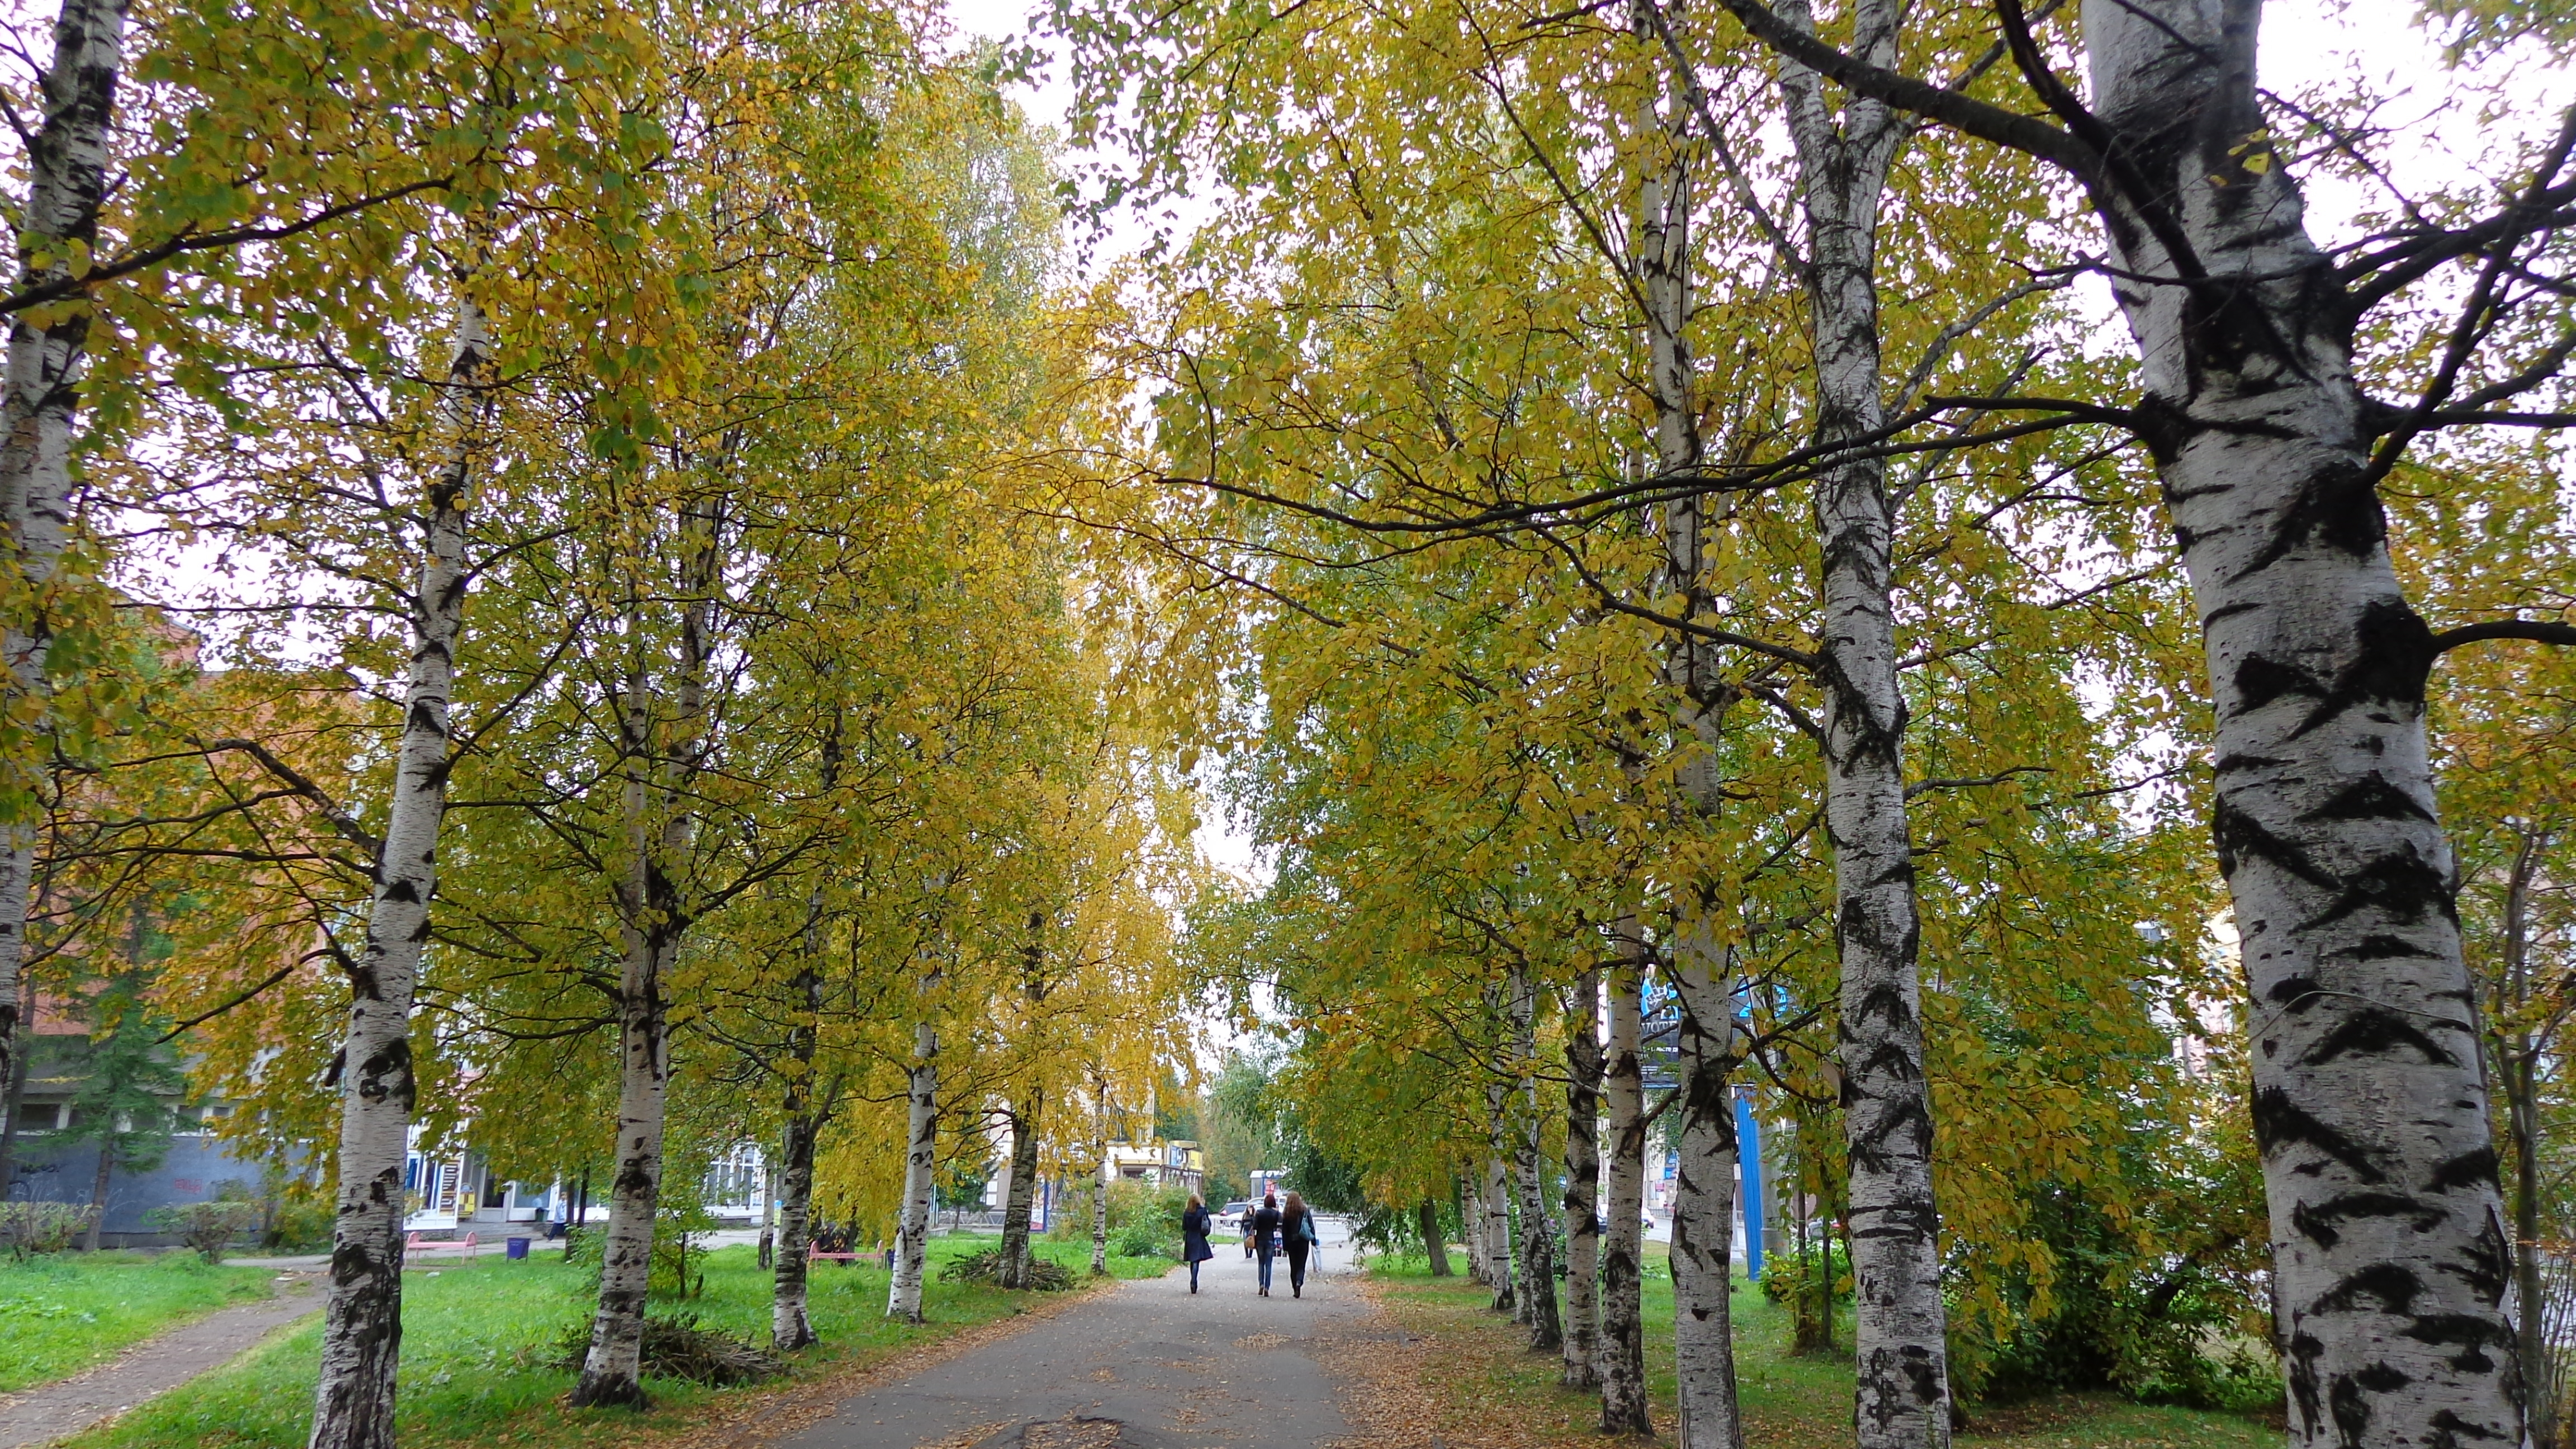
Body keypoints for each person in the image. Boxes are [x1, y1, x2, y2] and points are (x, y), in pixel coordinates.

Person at [1282, 1191, 1320, 1298]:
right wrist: (1313, 1240)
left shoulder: (1287, 1213)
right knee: (1301, 1265)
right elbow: (1311, 1226)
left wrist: (1284, 1246)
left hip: (1291, 1242)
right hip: (1303, 1241)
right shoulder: (1304, 1210)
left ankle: (1295, 1288)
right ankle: (1299, 1282)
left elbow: (1284, 1231)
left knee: (1293, 1266)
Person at [1250, 1192, 1284, 1296]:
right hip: (1270, 1239)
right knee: (1269, 1264)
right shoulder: (1276, 1214)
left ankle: (1261, 1284)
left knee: (1261, 1263)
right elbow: (1280, 1225)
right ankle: (1267, 1287)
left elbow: (1255, 1226)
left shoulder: (1259, 1213)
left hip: (1260, 1239)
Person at [1181, 1193, 1215, 1293]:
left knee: (1192, 1259)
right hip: (1199, 1236)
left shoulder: (1187, 1212)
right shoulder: (1202, 1211)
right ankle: (1194, 1281)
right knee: (1196, 1260)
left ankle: (1193, 1279)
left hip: (1190, 1237)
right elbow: (1208, 1223)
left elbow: (1184, 1227)